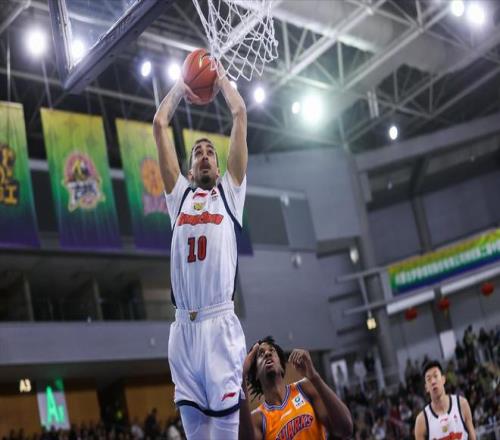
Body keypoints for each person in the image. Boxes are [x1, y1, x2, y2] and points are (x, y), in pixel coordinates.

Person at [153, 65, 248, 440]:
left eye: (211, 152)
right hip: (182, 331)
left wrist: (220, 78)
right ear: (189, 172)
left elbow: (239, 113)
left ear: (220, 168)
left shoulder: (229, 194)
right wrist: (180, 86)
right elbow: (160, 124)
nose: (205, 155)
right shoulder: (179, 197)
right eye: (198, 153)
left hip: (219, 325)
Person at [239, 336, 353, 439]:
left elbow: (345, 429)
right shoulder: (258, 419)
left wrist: (314, 377)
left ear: (281, 366)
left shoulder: (305, 388)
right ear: (256, 373)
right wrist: (241, 377)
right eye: (261, 354)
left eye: (271, 350)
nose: (267, 353)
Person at [414, 360, 476, 440]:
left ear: (443, 379)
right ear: (426, 387)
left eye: (436, 376)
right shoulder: (421, 421)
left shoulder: (462, 404)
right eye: (429, 379)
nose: (433, 382)